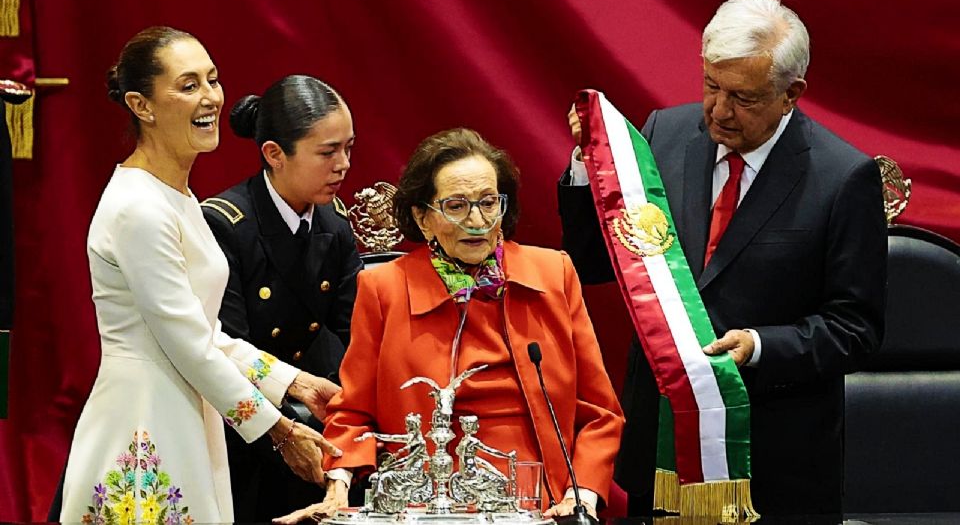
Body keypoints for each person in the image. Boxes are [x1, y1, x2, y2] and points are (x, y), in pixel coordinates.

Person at [558, 0, 887, 515]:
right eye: (711, 85)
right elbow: (598, 266)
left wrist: (759, 346)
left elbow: (856, 329)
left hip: (772, 460)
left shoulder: (844, 178)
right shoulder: (662, 135)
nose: (719, 110)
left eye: (744, 97)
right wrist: (586, 168)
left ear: (791, 94)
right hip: (660, 450)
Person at [59, 26, 341, 524]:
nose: (211, 97)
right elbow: (189, 344)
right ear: (141, 105)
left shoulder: (177, 196)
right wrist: (280, 430)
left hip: (190, 412)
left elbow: (207, 334)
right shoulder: (138, 207)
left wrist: (293, 382)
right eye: (188, 85)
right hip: (144, 424)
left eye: (212, 80)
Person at [276, 128, 624, 523]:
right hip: (427, 502)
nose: (477, 221)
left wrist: (583, 498)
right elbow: (353, 412)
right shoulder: (383, 288)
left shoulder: (552, 273)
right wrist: (337, 490)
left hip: (542, 499)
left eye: (489, 203)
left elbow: (599, 412)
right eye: (456, 206)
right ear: (423, 219)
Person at [201, 75, 362, 520]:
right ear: (274, 154)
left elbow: (350, 333)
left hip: (316, 412)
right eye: (328, 152)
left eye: (349, 147)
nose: (344, 164)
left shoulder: (333, 223)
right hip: (246, 424)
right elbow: (223, 349)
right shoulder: (225, 224)